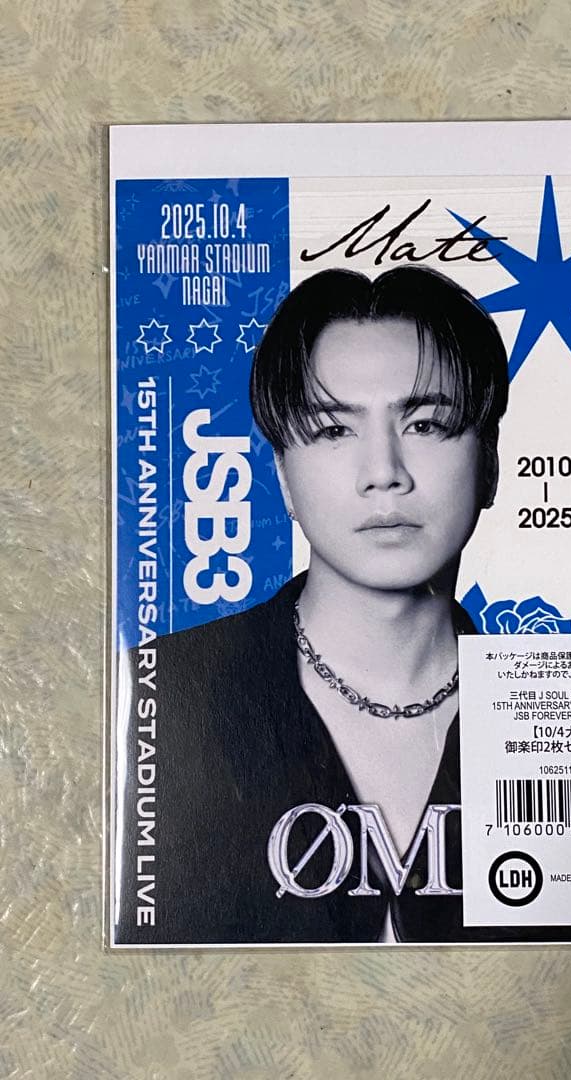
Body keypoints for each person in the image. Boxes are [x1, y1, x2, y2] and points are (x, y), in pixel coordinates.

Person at [116, 265, 521, 945]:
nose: (384, 472)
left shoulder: (568, 710)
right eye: (334, 431)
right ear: (283, 476)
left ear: (490, 464)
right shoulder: (154, 695)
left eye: (427, 423)